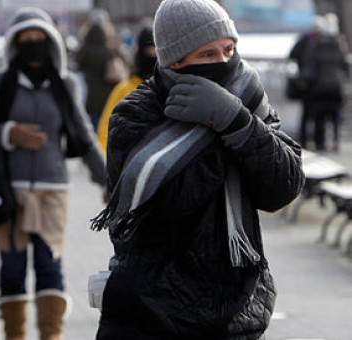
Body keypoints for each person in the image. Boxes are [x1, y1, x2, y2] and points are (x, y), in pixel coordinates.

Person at [91, 0, 305, 339]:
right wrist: (223, 130)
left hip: (236, 309)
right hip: (150, 312)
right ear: (176, 59)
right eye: (208, 55)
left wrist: (237, 122)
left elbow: (284, 186)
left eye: (229, 50)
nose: (224, 62)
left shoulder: (247, 101)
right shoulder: (135, 114)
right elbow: (169, 204)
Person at [0, 7, 106, 340]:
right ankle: (14, 334)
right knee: (13, 268)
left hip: (52, 190)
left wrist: (107, 181)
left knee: (49, 267)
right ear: (14, 43)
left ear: (51, 42)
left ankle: (50, 335)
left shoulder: (66, 84)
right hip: (8, 189)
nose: (33, 43)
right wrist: (9, 133)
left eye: (39, 37)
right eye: (25, 38)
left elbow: (84, 135)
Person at [289, 15, 349, 151]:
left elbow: (303, 61)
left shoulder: (312, 43)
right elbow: (344, 65)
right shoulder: (338, 43)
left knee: (316, 116)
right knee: (334, 116)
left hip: (316, 87)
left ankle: (315, 143)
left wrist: (303, 79)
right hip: (336, 86)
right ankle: (335, 142)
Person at [97, 25, 156, 153]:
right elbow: (106, 127)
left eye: (155, 51)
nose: (152, 56)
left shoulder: (172, 88)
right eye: (148, 51)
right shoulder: (123, 90)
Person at [76, 9, 127, 131]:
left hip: (90, 96)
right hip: (109, 93)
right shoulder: (111, 49)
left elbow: (77, 67)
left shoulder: (83, 50)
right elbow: (126, 63)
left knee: (93, 126)